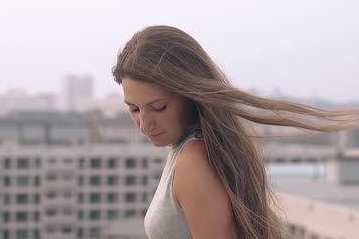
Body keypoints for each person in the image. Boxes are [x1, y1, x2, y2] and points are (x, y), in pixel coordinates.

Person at [111, 25, 359, 239]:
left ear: (188, 96)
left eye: (158, 107)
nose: (144, 124)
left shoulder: (193, 160)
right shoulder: (180, 149)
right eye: (133, 109)